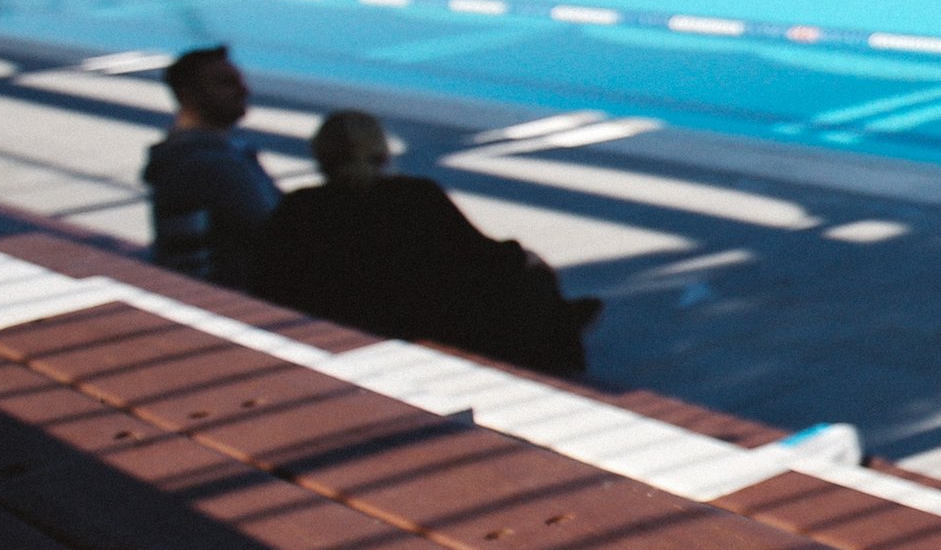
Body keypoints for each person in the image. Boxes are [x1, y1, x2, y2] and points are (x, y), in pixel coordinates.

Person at [252, 109, 602, 376]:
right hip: (424, 324)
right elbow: (483, 256)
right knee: (531, 275)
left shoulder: (299, 209)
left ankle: (564, 317)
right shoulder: (415, 197)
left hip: (339, 327)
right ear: (383, 153)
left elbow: (271, 276)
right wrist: (525, 257)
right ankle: (564, 335)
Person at [139, 45, 276, 285]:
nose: (244, 91)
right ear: (189, 95)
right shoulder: (200, 165)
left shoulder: (230, 153)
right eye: (227, 83)